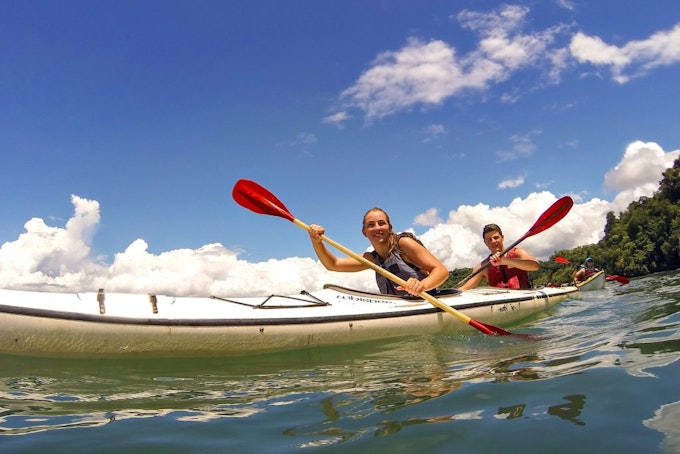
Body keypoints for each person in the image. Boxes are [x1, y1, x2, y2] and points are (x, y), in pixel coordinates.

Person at [308, 207, 449, 297]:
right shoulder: (371, 258)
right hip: (399, 308)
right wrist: (317, 241)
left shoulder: (403, 244)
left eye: (381, 223)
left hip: (428, 301)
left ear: (390, 227)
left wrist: (422, 285)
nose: (377, 228)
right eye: (371, 225)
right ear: (364, 232)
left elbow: (442, 271)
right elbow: (334, 264)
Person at [458, 223, 539, 290]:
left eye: (496, 238)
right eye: (489, 239)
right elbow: (465, 288)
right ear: (485, 243)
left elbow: (535, 266)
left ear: (502, 238)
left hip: (525, 299)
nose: (493, 241)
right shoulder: (483, 266)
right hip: (500, 304)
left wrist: (506, 261)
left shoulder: (518, 253)